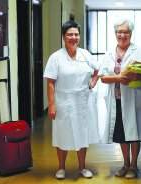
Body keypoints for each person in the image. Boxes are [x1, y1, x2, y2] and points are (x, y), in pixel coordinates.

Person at [43, 20, 99, 179]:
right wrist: (52, 105)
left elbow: (98, 69)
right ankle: (61, 168)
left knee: (82, 134)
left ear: (79, 36)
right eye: (69, 34)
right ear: (63, 37)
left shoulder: (85, 54)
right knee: (63, 134)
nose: (73, 37)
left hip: (83, 101)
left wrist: (93, 82)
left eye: (76, 34)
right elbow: (51, 83)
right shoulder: (56, 57)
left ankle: (82, 167)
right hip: (63, 101)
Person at [99, 19, 141, 179]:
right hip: (117, 99)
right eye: (119, 32)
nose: (122, 35)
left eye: (126, 32)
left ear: (131, 34)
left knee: (134, 132)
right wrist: (119, 78)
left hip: (135, 99)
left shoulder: (139, 51)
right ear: (115, 34)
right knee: (121, 133)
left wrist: (137, 74)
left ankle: (134, 166)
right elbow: (103, 78)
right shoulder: (109, 54)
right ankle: (125, 164)